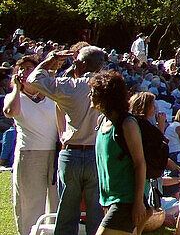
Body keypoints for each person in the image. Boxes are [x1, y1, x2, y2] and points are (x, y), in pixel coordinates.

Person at [25, 46, 108, 235]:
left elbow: (33, 80)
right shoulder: (107, 86)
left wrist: (49, 60)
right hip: (97, 153)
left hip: (72, 153)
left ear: (82, 63)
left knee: (67, 212)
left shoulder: (70, 86)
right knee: (96, 212)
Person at [4, 55, 59, 235]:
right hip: (29, 153)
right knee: (29, 203)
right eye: (23, 68)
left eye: (30, 68)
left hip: (54, 153)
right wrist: (16, 88)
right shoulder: (15, 98)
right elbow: (11, 111)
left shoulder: (51, 95)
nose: (26, 72)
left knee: (54, 201)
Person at [90, 70, 148, 235]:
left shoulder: (127, 124)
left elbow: (140, 163)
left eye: (94, 92)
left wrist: (138, 202)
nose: (90, 96)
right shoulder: (101, 122)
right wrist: (104, 199)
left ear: (106, 96)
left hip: (126, 200)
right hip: (109, 199)